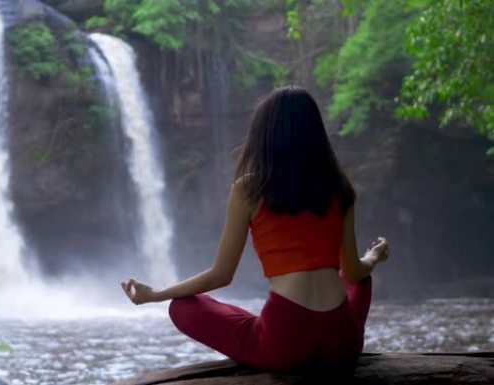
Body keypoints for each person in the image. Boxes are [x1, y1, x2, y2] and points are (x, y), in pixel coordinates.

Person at [120, 85, 389, 371]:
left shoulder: (249, 188)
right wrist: (373, 257)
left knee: (182, 306)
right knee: (361, 279)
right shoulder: (339, 188)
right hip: (342, 344)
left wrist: (156, 295)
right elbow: (353, 271)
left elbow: (220, 275)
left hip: (285, 341)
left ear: (263, 134)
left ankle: (264, 329)